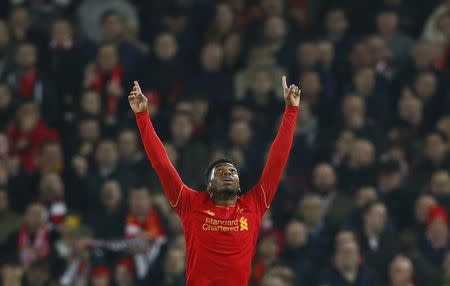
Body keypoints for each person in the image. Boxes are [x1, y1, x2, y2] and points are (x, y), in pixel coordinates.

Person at [128, 76, 300, 285]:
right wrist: (142, 116)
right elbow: (162, 165)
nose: (228, 173)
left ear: (239, 185)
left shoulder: (254, 203)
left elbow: (277, 161)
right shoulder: (190, 203)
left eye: (232, 171)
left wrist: (291, 111)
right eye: (220, 171)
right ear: (208, 186)